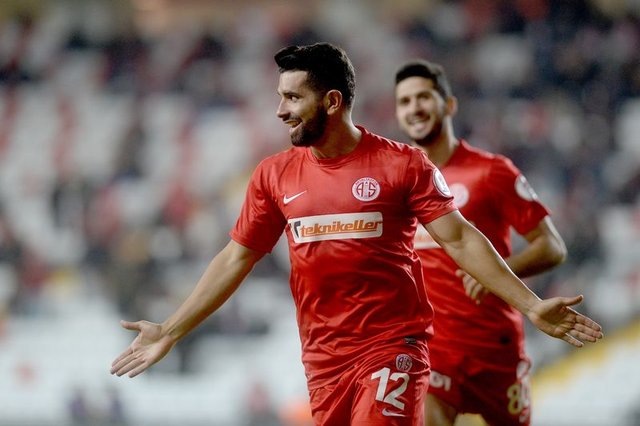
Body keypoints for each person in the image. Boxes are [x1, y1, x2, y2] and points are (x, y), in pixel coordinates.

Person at [110, 43, 603, 426]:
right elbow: (235, 258)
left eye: (292, 97)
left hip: (393, 347)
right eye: (280, 97)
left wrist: (530, 304)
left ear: (332, 101)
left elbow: (460, 238)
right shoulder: (273, 175)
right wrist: (171, 329)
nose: (280, 110)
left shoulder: (402, 164)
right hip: (323, 363)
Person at [394, 59, 571, 426]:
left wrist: (494, 274)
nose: (414, 108)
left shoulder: (491, 172)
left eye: (423, 97)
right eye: (405, 102)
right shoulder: (398, 182)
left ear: (449, 105)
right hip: (432, 347)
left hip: (495, 347)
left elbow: (552, 247)